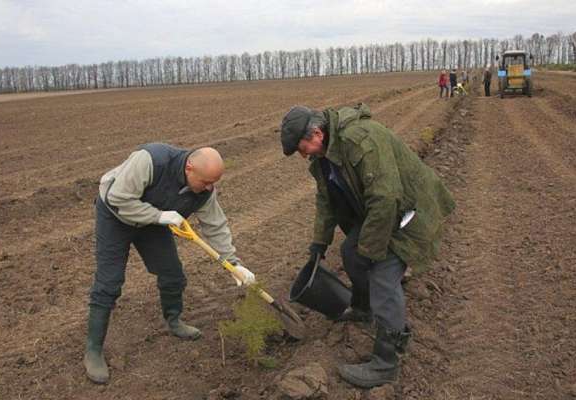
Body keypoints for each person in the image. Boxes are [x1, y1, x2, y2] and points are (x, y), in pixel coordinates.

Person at [279, 104, 455, 388]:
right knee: (350, 252)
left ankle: (387, 362)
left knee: (383, 276)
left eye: (302, 148)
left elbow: (386, 199)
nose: (303, 155)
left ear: (316, 133)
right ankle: (363, 309)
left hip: (409, 209)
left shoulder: (360, 140)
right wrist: (318, 243)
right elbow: (326, 201)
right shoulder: (324, 157)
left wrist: (371, 252)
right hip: (383, 209)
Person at [84, 144, 256, 384]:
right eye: (206, 181)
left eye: (212, 183)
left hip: (153, 221)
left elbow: (215, 225)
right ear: (189, 167)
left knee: (173, 274)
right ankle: (93, 350)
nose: (209, 188)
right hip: (116, 215)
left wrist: (233, 263)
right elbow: (118, 197)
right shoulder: (152, 161)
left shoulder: (205, 191)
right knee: (109, 282)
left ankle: (174, 321)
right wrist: (160, 216)